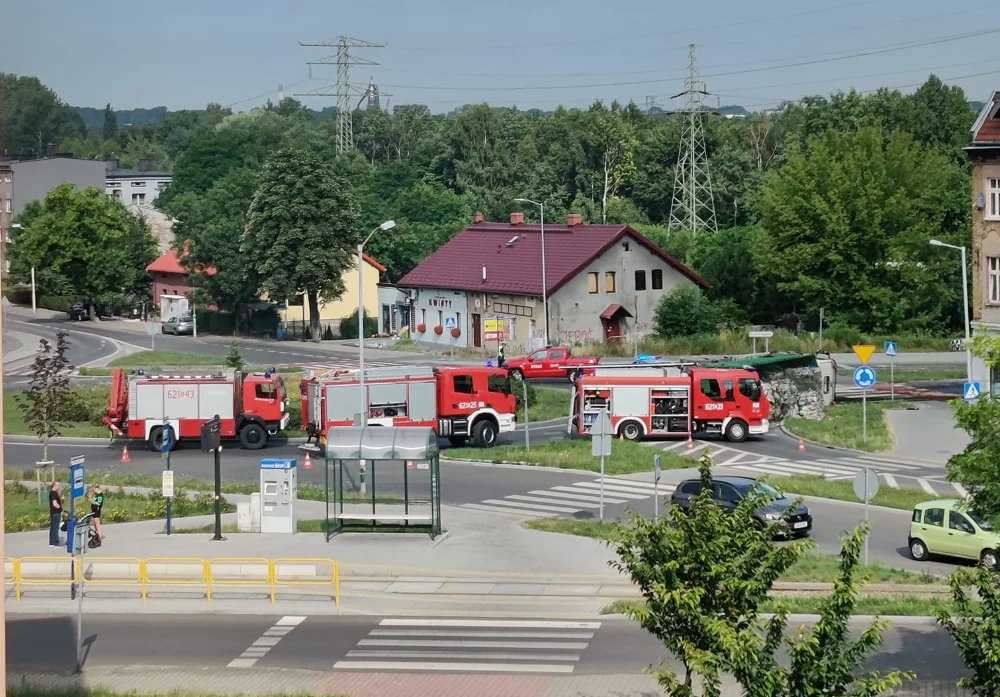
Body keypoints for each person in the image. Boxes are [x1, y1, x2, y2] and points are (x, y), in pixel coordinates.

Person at [48, 481, 63, 547]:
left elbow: (58, 501)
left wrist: (61, 500)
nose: (59, 486)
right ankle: (54, 542)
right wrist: (60, 508)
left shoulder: (55, 493)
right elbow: (54, 503)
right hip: (55, 512)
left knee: (55, 527)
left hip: (55, 512)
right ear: (55, 485)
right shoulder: (53, 493)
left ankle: (54, 541)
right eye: (58, 485)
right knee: (55, 527)